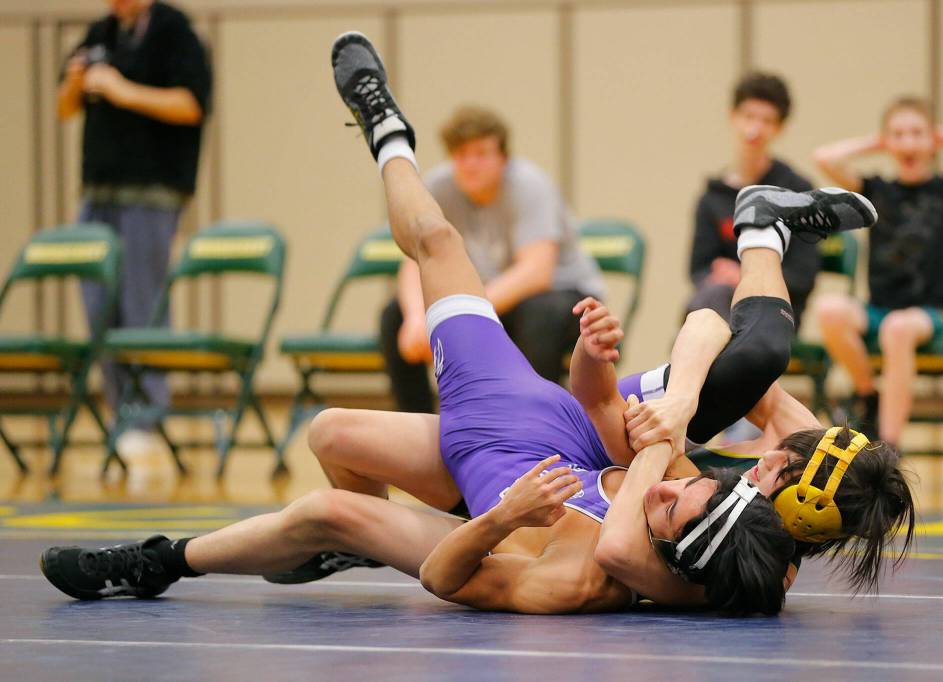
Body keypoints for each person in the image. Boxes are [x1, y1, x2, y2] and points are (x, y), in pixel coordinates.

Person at [39, 33, 886, 616]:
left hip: (497, 473)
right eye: (689, 484)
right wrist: (613, 378)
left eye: (667, 504)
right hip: (541, 419)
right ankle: (390, 130)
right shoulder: (733, 516)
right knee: (757, 352)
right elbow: (636, 411)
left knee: (331, 466)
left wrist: (501, 519)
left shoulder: (601, 573)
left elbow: (465, 578)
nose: (665, 483)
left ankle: (157, 558)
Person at [57, 0, 212, 455]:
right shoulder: (100, 32)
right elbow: (65, 108)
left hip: (153, 191)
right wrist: (73, 84)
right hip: (98, 191)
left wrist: (123, 90)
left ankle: (147, 419)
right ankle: (118, 411)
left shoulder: (174, 30)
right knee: (98, 306)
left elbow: (191, 104)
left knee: (143, 303)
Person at [381, 106, 605, 413]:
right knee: (395, 316)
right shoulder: (438, 187)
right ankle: (418, 428)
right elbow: (415, 260)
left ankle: (539, 423)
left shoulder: (529, 185)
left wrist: (462, 314)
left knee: (538, 314)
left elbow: (535, 273)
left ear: (503, 156)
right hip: (489, 297)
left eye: (482, 153)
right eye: (461, 154)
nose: (471, 164)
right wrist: (418, 318)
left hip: (559, 294)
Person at [812, 97, 943, 443]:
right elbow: (824, 158)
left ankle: (889, 445)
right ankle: (869, 394)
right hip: (880, 310)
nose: (908, 142)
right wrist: (878, 143)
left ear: (933, 140)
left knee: (898, 329)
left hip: (933, 314)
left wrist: (942, 136)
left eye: (917, 133)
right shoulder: (876, 190)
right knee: (829, 310)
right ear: (886, 141)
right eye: (898, 134)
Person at [687, 72, 819, 328]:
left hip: (777, 312)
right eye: (748, 116)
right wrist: (723, 276)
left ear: (779, 128)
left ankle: (693, 360)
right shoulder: (711, 198)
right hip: (719, 303)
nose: (754, 129)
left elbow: (803, 277)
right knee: (711, 299)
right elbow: (698, 270)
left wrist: (745, 278)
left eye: (766, 120)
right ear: (732, 117)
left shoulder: (797, 193)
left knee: (706, 321)